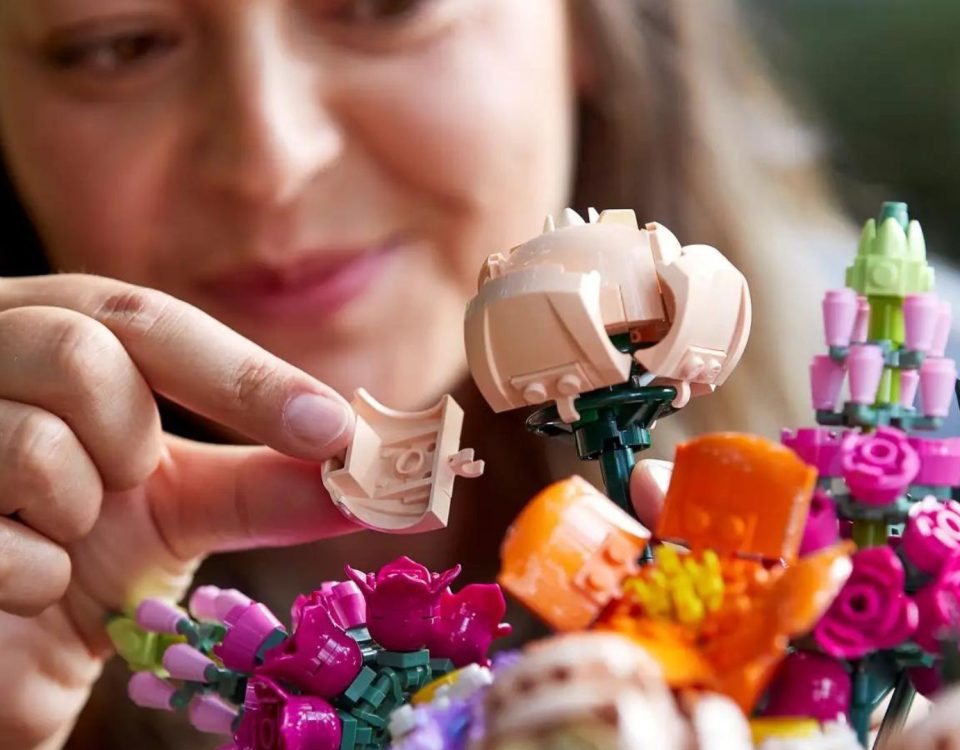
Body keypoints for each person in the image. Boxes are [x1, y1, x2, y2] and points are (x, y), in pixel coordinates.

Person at [0, 1, 848, 748]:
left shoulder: (917, 434)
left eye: (383, 6)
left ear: (594, 22)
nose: (272, 162)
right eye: (113, 45)